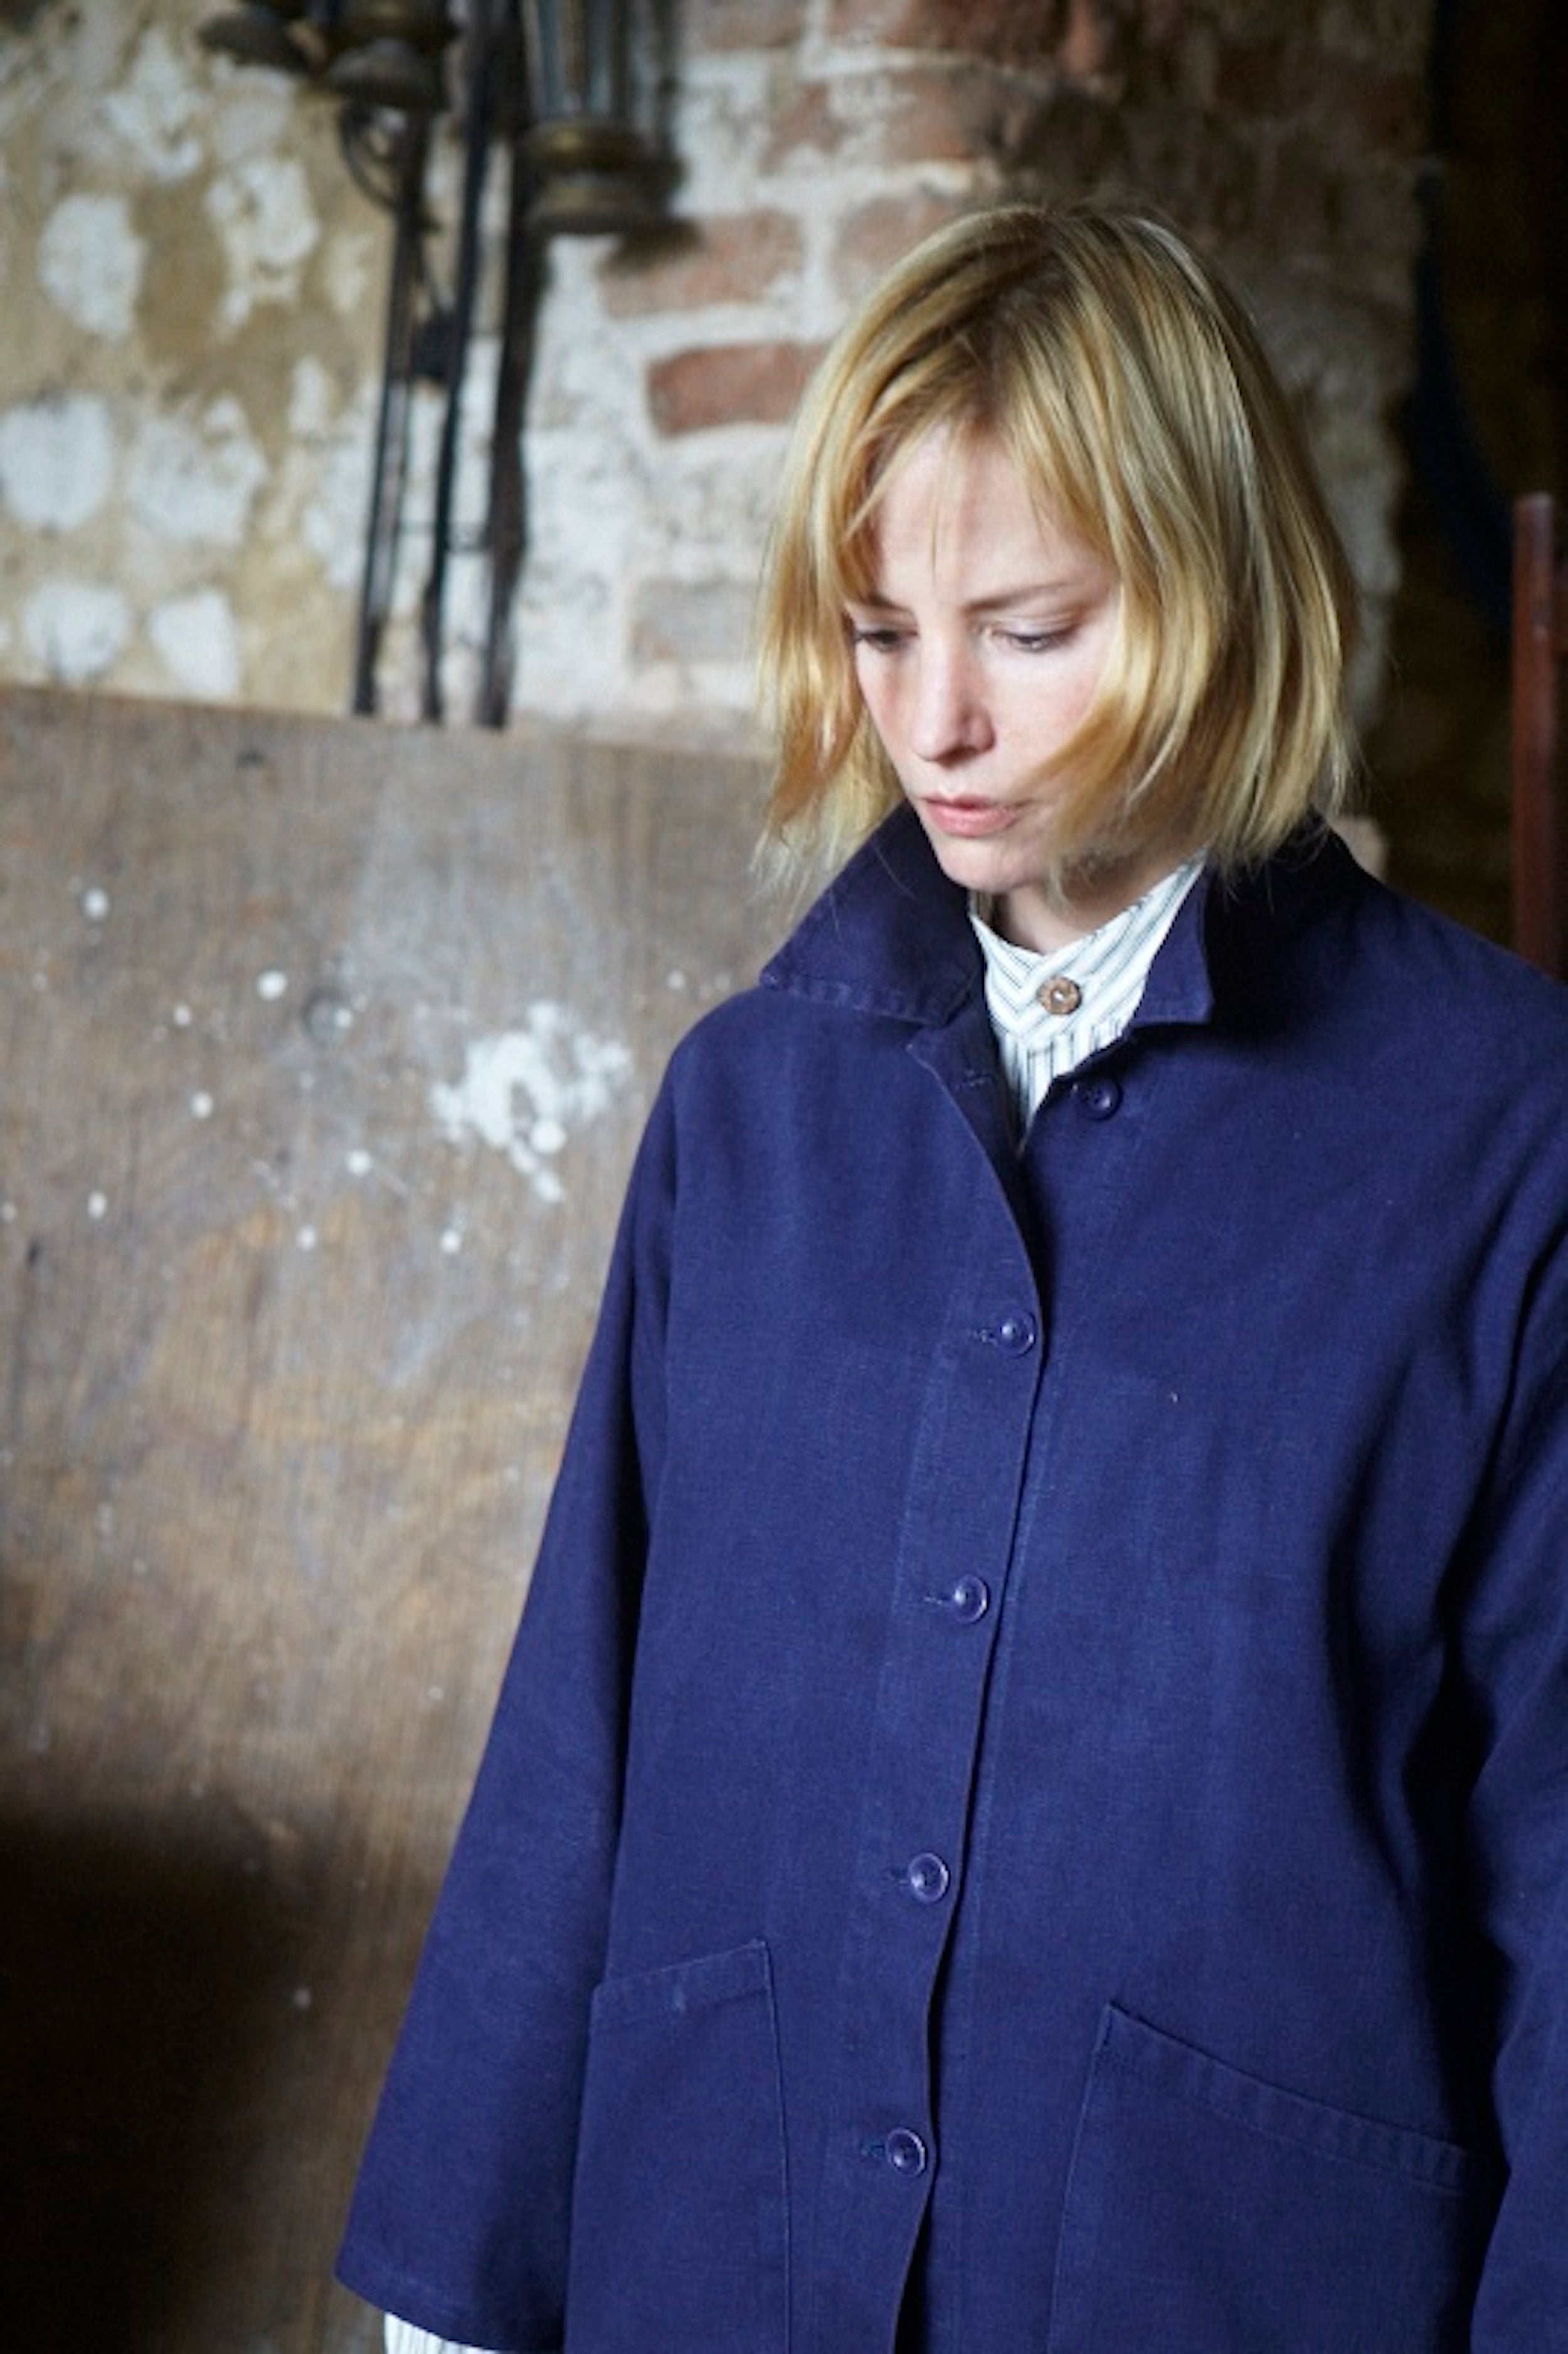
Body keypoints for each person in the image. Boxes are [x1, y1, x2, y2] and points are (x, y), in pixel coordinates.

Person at [337, 203, 1568, 2353]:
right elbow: (580, 1727)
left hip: (1226, 2281)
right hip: (711, 2252)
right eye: (879, 632)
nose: (940, 723)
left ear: (1219, 593)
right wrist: (450, 2303)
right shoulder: (749, 1110)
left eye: (1028, 627)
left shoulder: (1502, 1132)